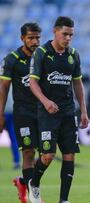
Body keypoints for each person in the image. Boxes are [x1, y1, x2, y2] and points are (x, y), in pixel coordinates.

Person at [27, 16, 89, 203]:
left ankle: (64, 199)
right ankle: (34, 183)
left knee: (69, 155)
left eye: (71, 35)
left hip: (68, 112)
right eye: (65, 34)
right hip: (47, 113)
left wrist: (84, 111)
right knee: (47, 156)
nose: (68, 38)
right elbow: (32, 82)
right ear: (55, 31)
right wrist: (45, 101)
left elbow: (77, 83)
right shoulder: (42, 53)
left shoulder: (73, 55)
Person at [0, 22, 42, 203]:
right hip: (23, 113)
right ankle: (35, 195)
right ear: (22, 38)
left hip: (43, 112)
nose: (35, 41)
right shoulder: (12, 59)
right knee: (28, 153)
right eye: (31, 38)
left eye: (37, 37)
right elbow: (3, 88)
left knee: (47, 154)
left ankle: (23, 181)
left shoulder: (43, 57)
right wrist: (0, 114)